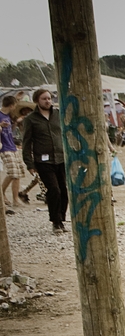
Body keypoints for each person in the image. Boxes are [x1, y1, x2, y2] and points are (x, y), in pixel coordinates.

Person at [21, 89, 67, 234]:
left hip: (61, 158)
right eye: (44, 99)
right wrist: (29, 163)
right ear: (37, 101)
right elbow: (26, 143)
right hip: (43, 161)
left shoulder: (58, 114)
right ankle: (56, 221)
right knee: (54, 190)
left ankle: (61, 218)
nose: (47, 101)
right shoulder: (30, 119)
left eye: (49, 98)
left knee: (64, 191)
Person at [1, 95, 23, 209]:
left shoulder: (8, 116)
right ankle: (2, 193)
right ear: (10, 106)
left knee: (18, 173)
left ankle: (15, 199)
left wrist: (15, 123)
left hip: (12, 146)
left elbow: (11, 130)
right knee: (12, 172)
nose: (15, 108)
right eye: (14, 105)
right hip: (4, 147)